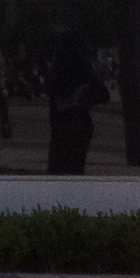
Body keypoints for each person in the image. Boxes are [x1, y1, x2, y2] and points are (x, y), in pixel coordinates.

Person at [44, 32, 103, 176]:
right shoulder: (83, 68)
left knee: (60, 168)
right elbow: (101, 92)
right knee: (75, 166)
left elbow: (58, 101)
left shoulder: (59, 70)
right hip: (80, 121)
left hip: (64, 123)